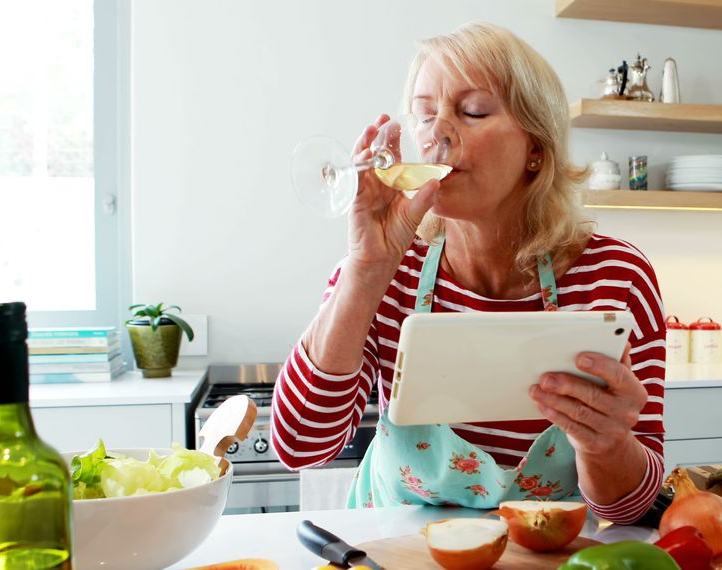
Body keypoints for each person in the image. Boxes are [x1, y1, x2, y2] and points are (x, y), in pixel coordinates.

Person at [271, 22, 666, 524]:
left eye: (473, 110)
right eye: (425, 113)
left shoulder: (615, 277)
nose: (437, 132)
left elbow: (627, 508)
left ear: (536, 149)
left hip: (543, 553)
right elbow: (301, 448)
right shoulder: (387, 267)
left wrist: (607, 444)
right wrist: (366, 270)